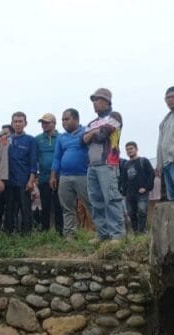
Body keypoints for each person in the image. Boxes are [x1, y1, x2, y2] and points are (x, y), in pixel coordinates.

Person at [83, 88, 125, 241]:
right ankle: (103, 234)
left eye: (98, 100)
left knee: (111, 199)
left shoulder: (115, 116)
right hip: (92, 165)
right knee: (96, 201)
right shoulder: (91, 122)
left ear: (107, 101)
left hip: (108, 163)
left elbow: (102, 135)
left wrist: (93, 133)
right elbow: (82, 140)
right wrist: (94, 132)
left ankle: (117, 235)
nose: (95, 103)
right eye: (94, 100)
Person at [51, 108, 91, 240]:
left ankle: (103, 233)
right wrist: (53, 176)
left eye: (66, 119)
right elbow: (57, 157)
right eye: (62, 120)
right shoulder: (62, 138)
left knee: (91, 204)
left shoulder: (86, 132)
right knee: (67, 207)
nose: (63, 122)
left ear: (76, 119)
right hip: (64, 177)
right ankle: (69, 235)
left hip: (83, 175)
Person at [3, 111, 38, 235]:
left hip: (24, 181)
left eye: (20, 121)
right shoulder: (6, 140)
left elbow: (33, 162)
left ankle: (26, 235)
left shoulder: (31, 140)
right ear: (12, 123)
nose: (18, 124)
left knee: (25, 210)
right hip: (9, 181)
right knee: (9, 210)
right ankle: (8, 234)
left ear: (25, 123)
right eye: (15, 121)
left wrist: (31, 181)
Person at [36, 113, 63, 234]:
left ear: (54, 123)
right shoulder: (37, 139)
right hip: (43, 177)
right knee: (45, 205)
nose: (44, 125)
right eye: (43, 122)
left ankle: (60, 231)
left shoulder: (61, 137)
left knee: (59, 205)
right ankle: (45, 231)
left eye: (47, 122)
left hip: (60, 177)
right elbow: (35, 158)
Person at [119, 142, 154, 233]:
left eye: (131, 148)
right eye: (127, 149)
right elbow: (123, 179)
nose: (129, 151)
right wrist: (124, 192)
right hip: (130, 194)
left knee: (142, 210)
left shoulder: (143, 161)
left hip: (142, 192)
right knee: (131, 213)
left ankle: (141, 231)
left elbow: (151, 174)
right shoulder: (126, 165)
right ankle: (135, 231)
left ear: (136, 149)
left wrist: (146, 188)